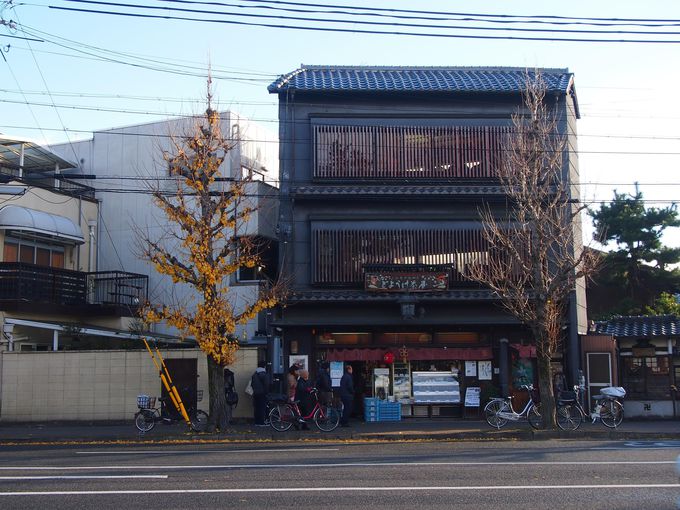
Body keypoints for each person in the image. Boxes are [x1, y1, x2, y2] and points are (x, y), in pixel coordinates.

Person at [251, 360, 270, 426]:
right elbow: (267, 385)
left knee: (257, 407)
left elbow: (252, 384)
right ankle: (262, 422)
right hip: (262, 393)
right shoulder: (264, 374)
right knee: (262, 407)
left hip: (256, 393)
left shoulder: (254, 374)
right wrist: (267, 392)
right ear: (264, 366)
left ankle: (257, 422)